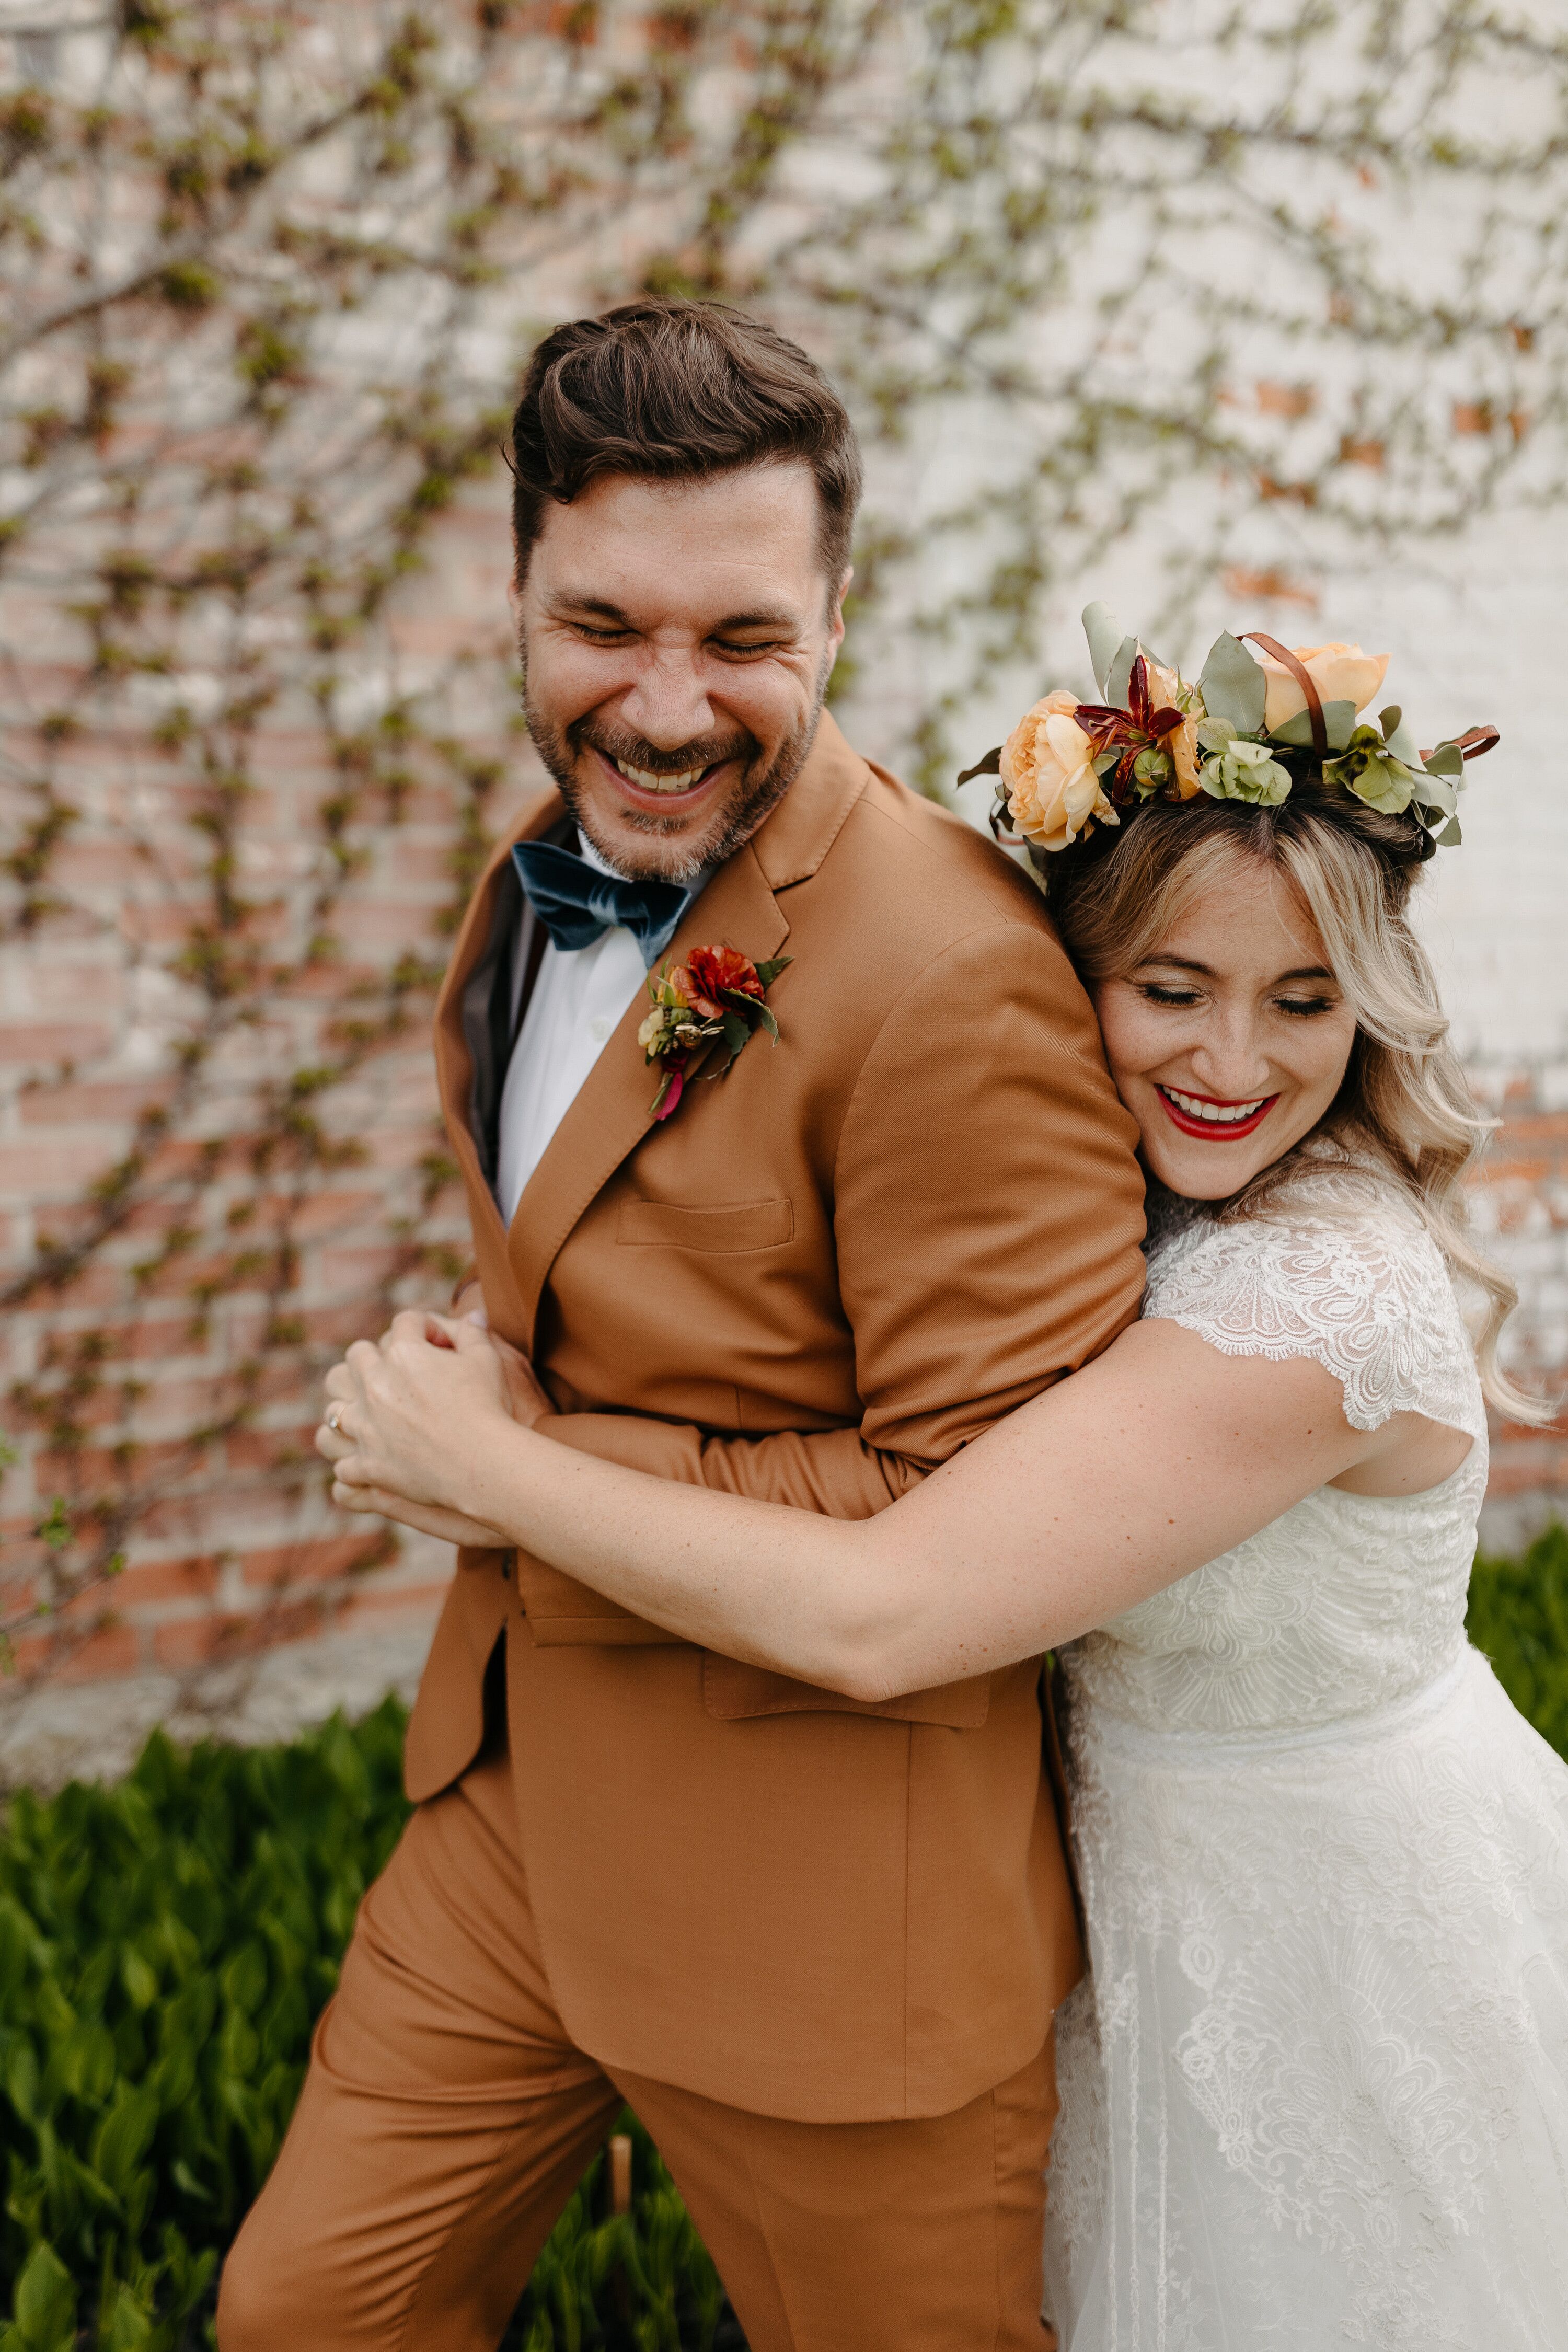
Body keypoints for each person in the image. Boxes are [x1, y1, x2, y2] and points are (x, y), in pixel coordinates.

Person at [319, 614, 1568, 2347]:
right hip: (1122, 1892)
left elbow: (888, 1607)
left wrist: (501, 1468)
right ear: (1078, 977)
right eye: (1172, 991)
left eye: (1304, 1001)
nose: (1234, 1062)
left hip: (1324, 1940)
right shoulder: (1140, 1194)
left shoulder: (1316, 1297)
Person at [215, 303, 1150, 2351]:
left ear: (841, 605)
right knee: (306, 2313)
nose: (658, 707)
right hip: (521, 1811)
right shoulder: (563, 870)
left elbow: (978, 1520)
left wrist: (505, 1467)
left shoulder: (948, 981)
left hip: (832, 1899)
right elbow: (636, 1212)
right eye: (602, 625)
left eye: (740, 639)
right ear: (520, 590)